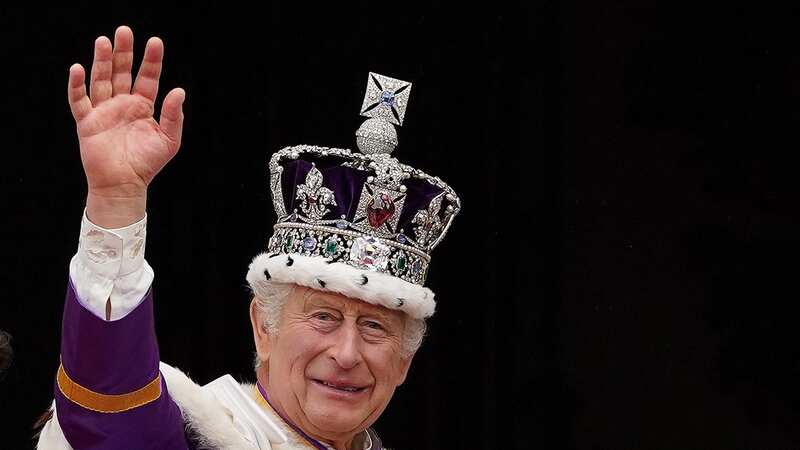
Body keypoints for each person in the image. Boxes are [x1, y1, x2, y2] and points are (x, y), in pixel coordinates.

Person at [36, 25, 460, 450]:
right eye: (323, 317)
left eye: (373, 327)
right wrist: (116, 204)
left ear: (404, 362)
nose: (347, 355)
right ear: (263, 328)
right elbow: (111, 412)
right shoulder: (188, 434)